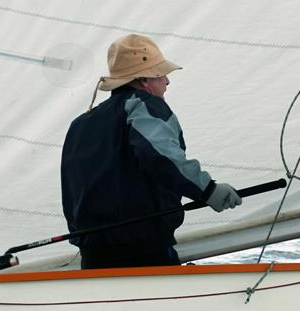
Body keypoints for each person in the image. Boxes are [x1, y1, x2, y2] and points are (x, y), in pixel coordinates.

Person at [61, 33, 242, 269]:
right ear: (145, 80)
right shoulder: (143, 105)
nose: (167, 82)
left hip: (93, 258)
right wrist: (208, 190)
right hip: (144, 254)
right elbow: (161, 156)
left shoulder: (80, 124)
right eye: (162, 74)